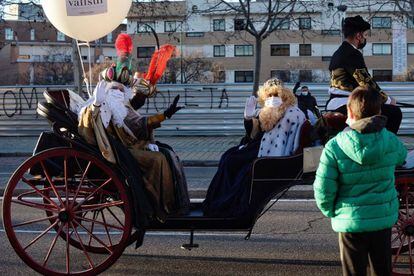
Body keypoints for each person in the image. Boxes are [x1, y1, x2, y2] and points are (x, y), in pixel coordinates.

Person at [78, 34, 190, 221]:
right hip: (119, 154)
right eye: (115, 88)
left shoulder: (121, 104)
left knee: (167, 153)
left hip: (129, 147)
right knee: (158, 160)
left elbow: (138, 124)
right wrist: (96, 106)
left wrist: (165, 114)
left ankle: (174, 203)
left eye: (120, 89)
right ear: (107, 88)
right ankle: (159, 207)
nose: (118, 92)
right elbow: (87, 131)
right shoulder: (97, 103)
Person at [313, 86, 407, 276]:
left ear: (349, 111)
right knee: (382, 271)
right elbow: (402, 156)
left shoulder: (334, 146)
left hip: (350, 221)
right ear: (380, 112)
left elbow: (323, 188)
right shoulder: (391, 141)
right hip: (381, 219)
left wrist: (333, 212)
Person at [203, 78, 306, 217]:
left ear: (284, 96)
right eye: (269, 96)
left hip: (268, 153)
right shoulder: (265, 112)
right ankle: (215, 200)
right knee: (227, 157)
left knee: (232, 162)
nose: (273, 98)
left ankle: (226, 203)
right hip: (257, 147)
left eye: (276, 95)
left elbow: (294, 140)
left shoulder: (292, 113)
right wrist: (248, 118)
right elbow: (253, 134)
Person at [327, 15, 402, 134]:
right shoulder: (352, 53)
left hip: (336, 103)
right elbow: (365, 83)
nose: (365, 39)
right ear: (358, 36)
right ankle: (383, 147)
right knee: (394, 112)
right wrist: (387, 100)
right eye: (365, 35)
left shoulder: (339, 52)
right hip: (344, 104)